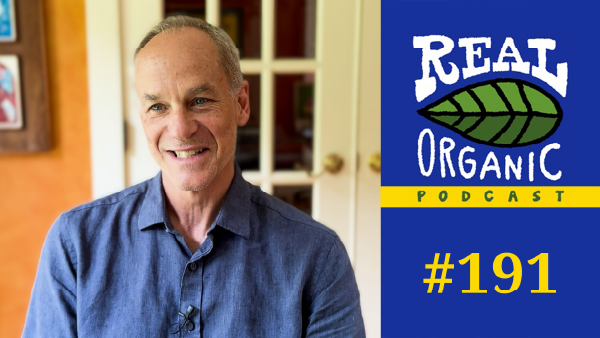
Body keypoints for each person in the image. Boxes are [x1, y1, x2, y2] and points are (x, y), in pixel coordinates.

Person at [22, 16, 365, 337]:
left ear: (241, 103)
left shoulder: (317, 255)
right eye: (158, 106)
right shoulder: (75, 244)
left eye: (199, 100)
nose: (181, 128)